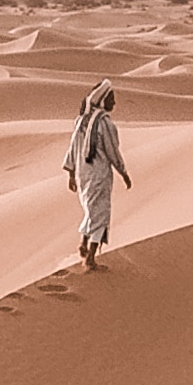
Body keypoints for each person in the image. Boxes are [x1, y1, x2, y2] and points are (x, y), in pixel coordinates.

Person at [64, 79, 129, 269]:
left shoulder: (81, 120)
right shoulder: (105, 124)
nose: (114, 103)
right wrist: (123, 172)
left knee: (91, 211)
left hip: (83, 175)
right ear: (102, 100)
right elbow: (113, 151)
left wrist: (71, 172)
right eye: (111, 98)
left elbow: (72, 149)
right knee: (100, 214)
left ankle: (83, 245)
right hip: (98, 175)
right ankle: (90, 258)